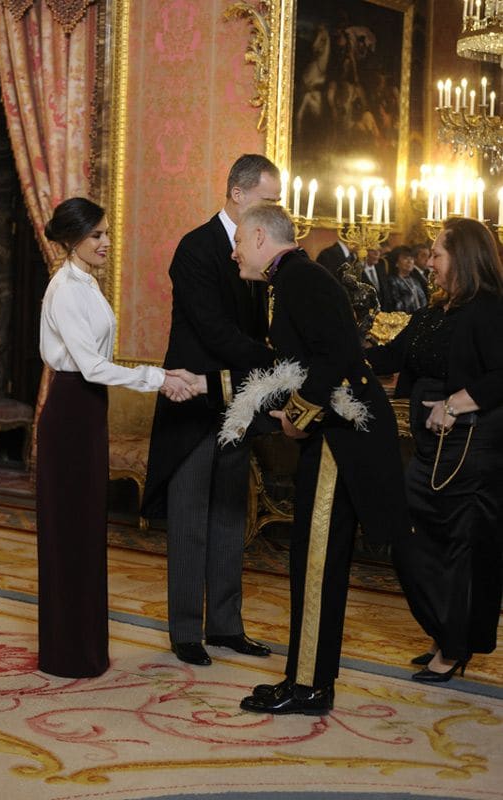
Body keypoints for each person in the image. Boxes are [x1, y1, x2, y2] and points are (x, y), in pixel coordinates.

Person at [223, 203, 409, 715]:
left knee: (316, 564)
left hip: (339, 442)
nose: (234, 251)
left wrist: (298, 416)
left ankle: (307, 687)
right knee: (313, 562)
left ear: (260, 237)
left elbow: (338, 355)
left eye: (239, 241)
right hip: (335, 436)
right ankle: (306, 680)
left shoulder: (303, 280)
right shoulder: (295, 279)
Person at [38, 197, 197, 679]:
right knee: (69, 531)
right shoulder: (65, 288)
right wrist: (160, 378)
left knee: (86, 528)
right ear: (72, 241)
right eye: (97, 236)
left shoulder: (86, 283)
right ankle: (67, 654)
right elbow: (89, 366)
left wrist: (160, 375)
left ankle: (85, 649)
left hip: (87, 410)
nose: (107, 242)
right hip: (70, 410)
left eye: (107, 233)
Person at [141, 154, 280, 667]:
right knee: (190, 519)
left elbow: (253, 328)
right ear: (238, 194)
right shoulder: (195, 248)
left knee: (228, 516)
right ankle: (185, 632)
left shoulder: (255, 250)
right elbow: (216, 332)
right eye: (268, 199)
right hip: (193, 403)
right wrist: (276, 364)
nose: (274, 210)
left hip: (235, 402)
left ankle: (226, 626)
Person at [366, 217, 503, 682]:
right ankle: (446, 630)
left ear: (462, 258)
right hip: (429, 450)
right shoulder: (432, 312)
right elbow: (388, 357)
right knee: (410, 540)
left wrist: (457, 402)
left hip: (472, 450)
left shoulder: (490, 310)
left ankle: (453, 644)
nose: (431, 263)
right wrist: (337, 338)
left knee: (462, 551)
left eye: (439, 255)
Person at [388, 245, 427, 312]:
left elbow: (424, 301)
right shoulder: (392, 281)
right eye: (405, 258)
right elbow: (397, 306)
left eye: (411, 258)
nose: (409, 261)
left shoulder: (415, 280)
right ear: (396, 263)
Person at [360, 246, 393, 311]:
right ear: (363, 252)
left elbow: (386, 293)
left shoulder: (381, 267)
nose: (377, 253)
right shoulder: (357, 270)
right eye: (372, 250)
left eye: (378, 250)